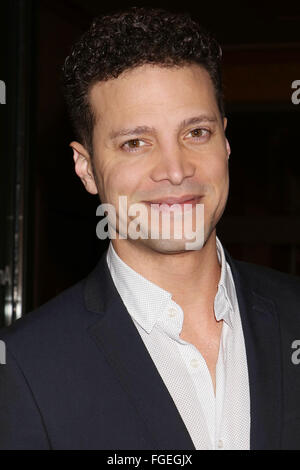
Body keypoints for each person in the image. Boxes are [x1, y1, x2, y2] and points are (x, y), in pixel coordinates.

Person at [0, 6, 300, 450]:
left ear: (226, 141)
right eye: (135, 143)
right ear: (85, 168)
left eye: (196, 132)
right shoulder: (23, 368)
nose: (176, 170)